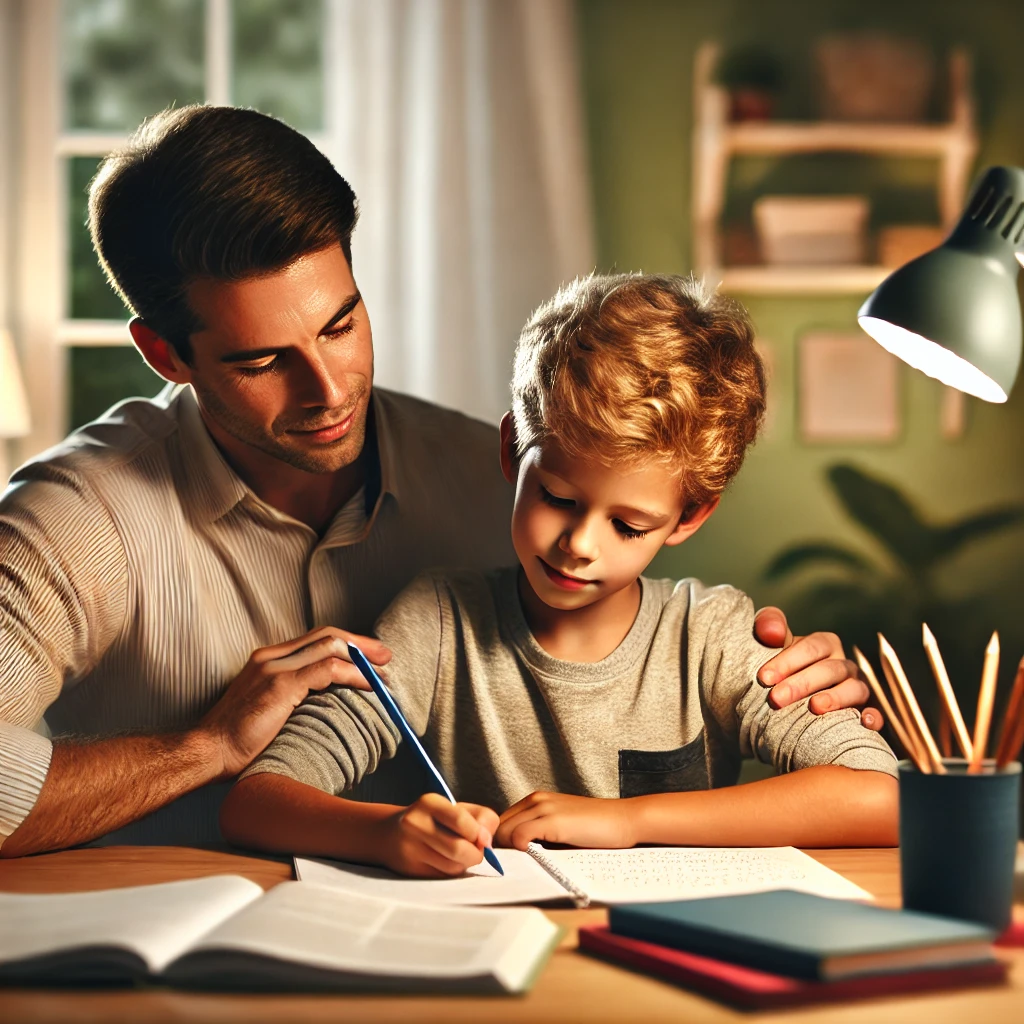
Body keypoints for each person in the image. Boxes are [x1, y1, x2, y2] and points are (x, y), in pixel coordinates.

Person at [0, 105, 875, 858]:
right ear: (166, 354)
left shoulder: (497, 467)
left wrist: (803, 677)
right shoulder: (69, 526)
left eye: (341, 325)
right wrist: (202, 746)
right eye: (266, 360)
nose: (329, 389)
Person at [221, 274, 898, 877]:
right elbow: (258, 800)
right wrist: (389, 832)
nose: (578, 545)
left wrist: (630, 823)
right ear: (514, 450)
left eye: (628, 526)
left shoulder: (711, 635)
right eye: (559, 499)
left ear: (689, 517)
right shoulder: (436, 623)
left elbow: (884, 797)